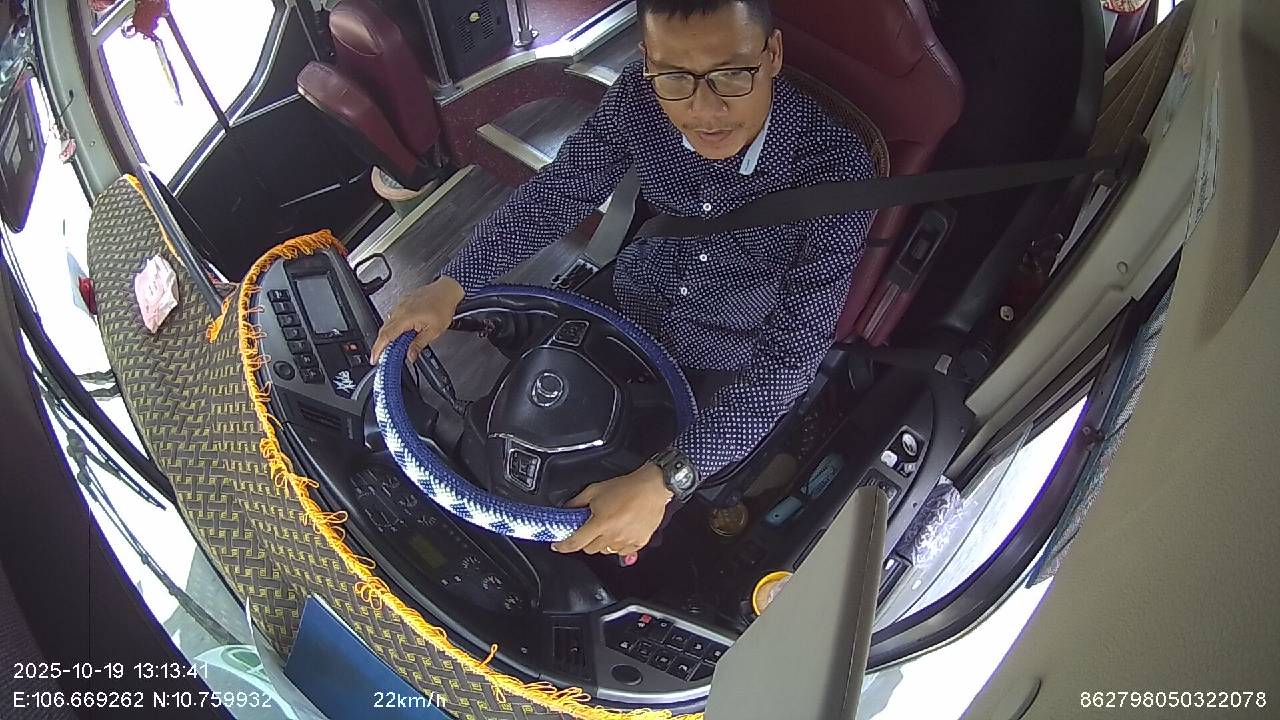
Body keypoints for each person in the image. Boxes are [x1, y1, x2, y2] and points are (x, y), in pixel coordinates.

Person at [371, 0, 874, 562]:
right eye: (674, 77)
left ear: (772, 54)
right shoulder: (638, 97)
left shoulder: (838, 169)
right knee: (504, 424)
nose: (704, 110)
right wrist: (453, 283)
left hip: (725, 351)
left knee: (620, 530)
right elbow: (559, 193)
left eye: (733, 74)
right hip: (627, 295)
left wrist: (668, 478)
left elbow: (789, 360)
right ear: (647, 60)